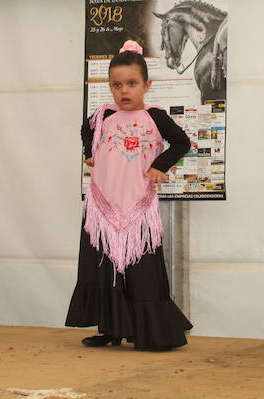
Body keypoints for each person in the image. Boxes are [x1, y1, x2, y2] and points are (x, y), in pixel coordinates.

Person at [66, 40, 192, 350]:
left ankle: (147, 331)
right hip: (102, 203)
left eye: (131, 84)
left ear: (147, 85)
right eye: (117, 85)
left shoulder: (156, 117)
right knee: (104, 268)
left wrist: (159, 167)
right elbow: (86, 129)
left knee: (141, 270)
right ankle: (110, 328)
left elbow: (181, 142)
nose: (124, 91)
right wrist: (90, 152)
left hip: (137, 206)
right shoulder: (103, 114)